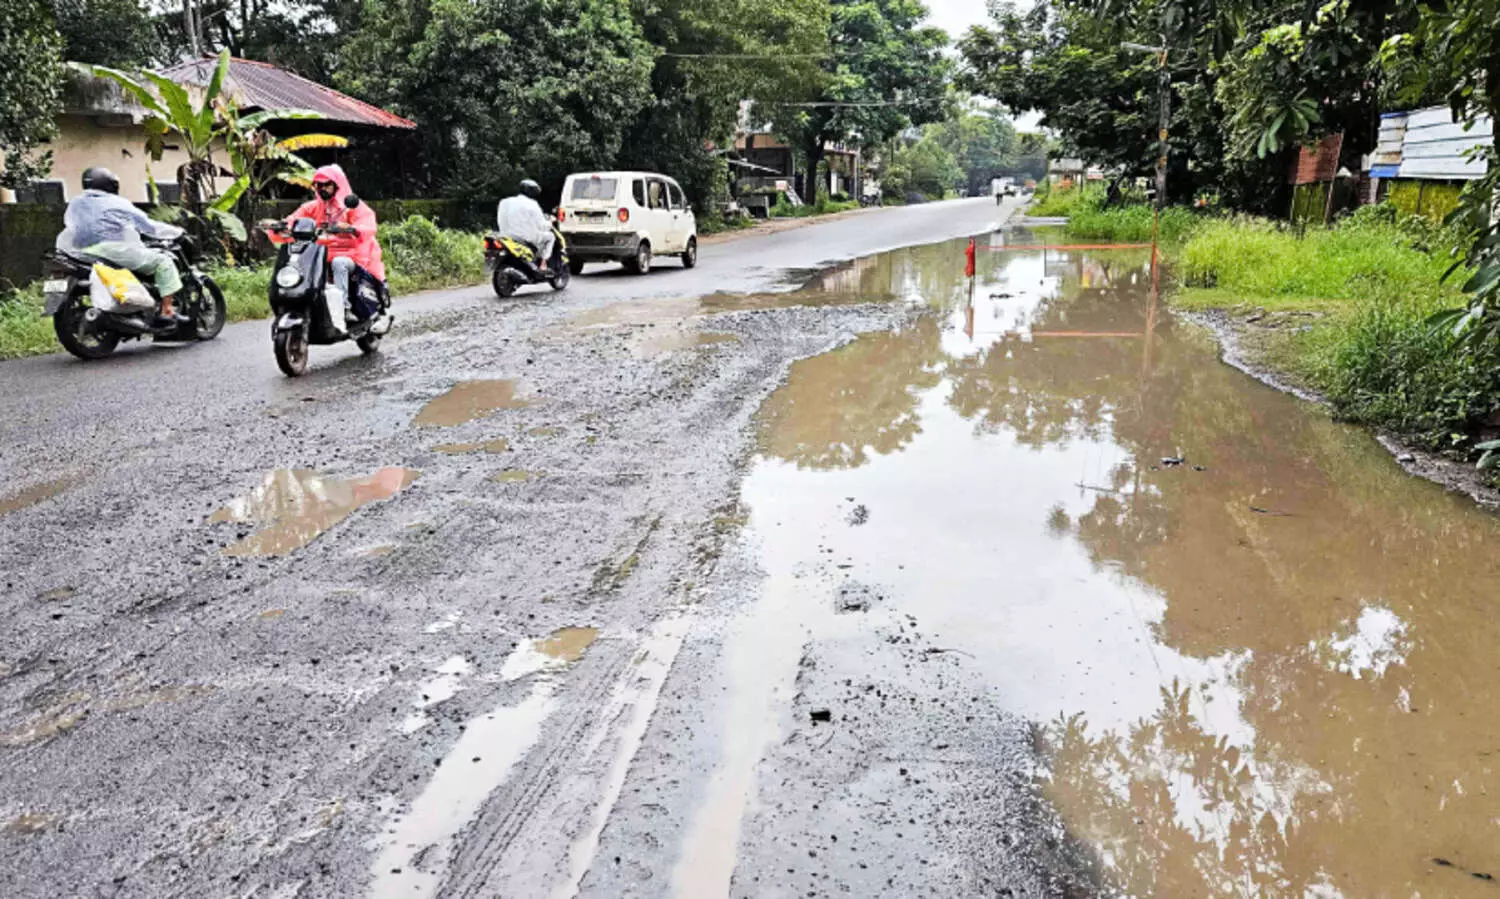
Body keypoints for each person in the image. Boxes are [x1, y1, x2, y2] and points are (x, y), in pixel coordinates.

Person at [57, 167, 187, 325]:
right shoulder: (118, 202)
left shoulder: (75, 202)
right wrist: (176, 232)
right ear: (111, 184)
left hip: (79, 251)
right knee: (163, 262)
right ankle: (167, 311)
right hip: (111, 250)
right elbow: (149, 227)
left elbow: (71, 224)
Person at [276, 164, 385, 334]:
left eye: (327, 184)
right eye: (319, 185)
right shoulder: (312, 207)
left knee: (338, 263)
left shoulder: (351, 206)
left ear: (337, 185)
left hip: (351, 254)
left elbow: (367, 224)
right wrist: (280, 225)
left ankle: (344, 308)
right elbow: (294, 219)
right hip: (321, 253)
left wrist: (351, 228)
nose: (322, 188)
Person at [495, 178, 554, 272]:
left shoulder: (505, 201)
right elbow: (542, 226)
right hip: (526, 238)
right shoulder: (532, 204)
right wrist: (550, 222)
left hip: (505, 236)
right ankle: (543, 264)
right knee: (550, 237)